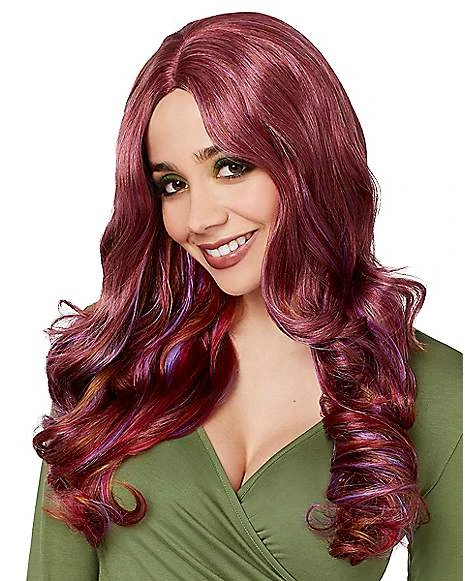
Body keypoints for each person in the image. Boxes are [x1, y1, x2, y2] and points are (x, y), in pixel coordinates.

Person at [26, 11, 462, 581]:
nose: (199, 219)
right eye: (172, 184)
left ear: (308, 160)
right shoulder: (116, 364)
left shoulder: (432, 390)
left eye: (230, 167)